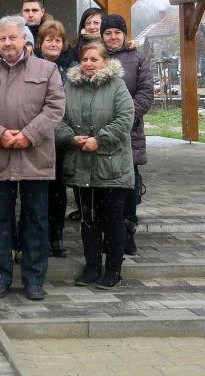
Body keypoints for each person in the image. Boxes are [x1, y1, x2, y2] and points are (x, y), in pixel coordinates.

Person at [0, 15, 65, 301]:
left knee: (36, 220)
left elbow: (55, 107)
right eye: (3, 38)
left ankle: (34, 279)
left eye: (13, 37)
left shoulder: (48, 69)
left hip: (36, 156)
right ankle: (0, 277)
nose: (8, 43)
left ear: (24, 39)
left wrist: (28, 135)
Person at [55, 41, 135, 290]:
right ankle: (92, 267)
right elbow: (58, 118)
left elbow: (124, 119)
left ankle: (113, 269)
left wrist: (99, 140)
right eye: (85, 59)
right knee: (89, 220)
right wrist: (70, 137)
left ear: (106, 62)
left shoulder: (117, 86)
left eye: (94, 59)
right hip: (82, 166)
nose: (89, 64)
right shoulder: (70, 86)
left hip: (111, 166)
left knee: (113, 220)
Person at [100, 14, 153, 256]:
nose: (113, 37)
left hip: (129, 133)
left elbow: (145, 93)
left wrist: (123, 119)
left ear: (124, 35)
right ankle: (106, 233)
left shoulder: (137, 59)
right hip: (99, 131)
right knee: (103, 185)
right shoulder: (94, 57)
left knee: (129, 184)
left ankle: (127, 230)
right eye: (108, 32)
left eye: (117, 33)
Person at [36, 19, 75, 257]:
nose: (53, 44)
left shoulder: (70, 69)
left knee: (59, 192)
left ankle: (56, 236)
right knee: (38, 193)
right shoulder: (31, 67)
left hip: (60, 139)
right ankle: (39, 237)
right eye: (48, 40)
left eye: (57, 40)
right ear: (40, 43)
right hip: (37, 137)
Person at [66, 7, 103, 222]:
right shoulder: (74, 47)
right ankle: (84, 208)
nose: (92, 26)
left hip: (102, 116)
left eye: (97, 22)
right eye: (88, 22)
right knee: (80, 167)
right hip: (79, 112)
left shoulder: (112, 45)